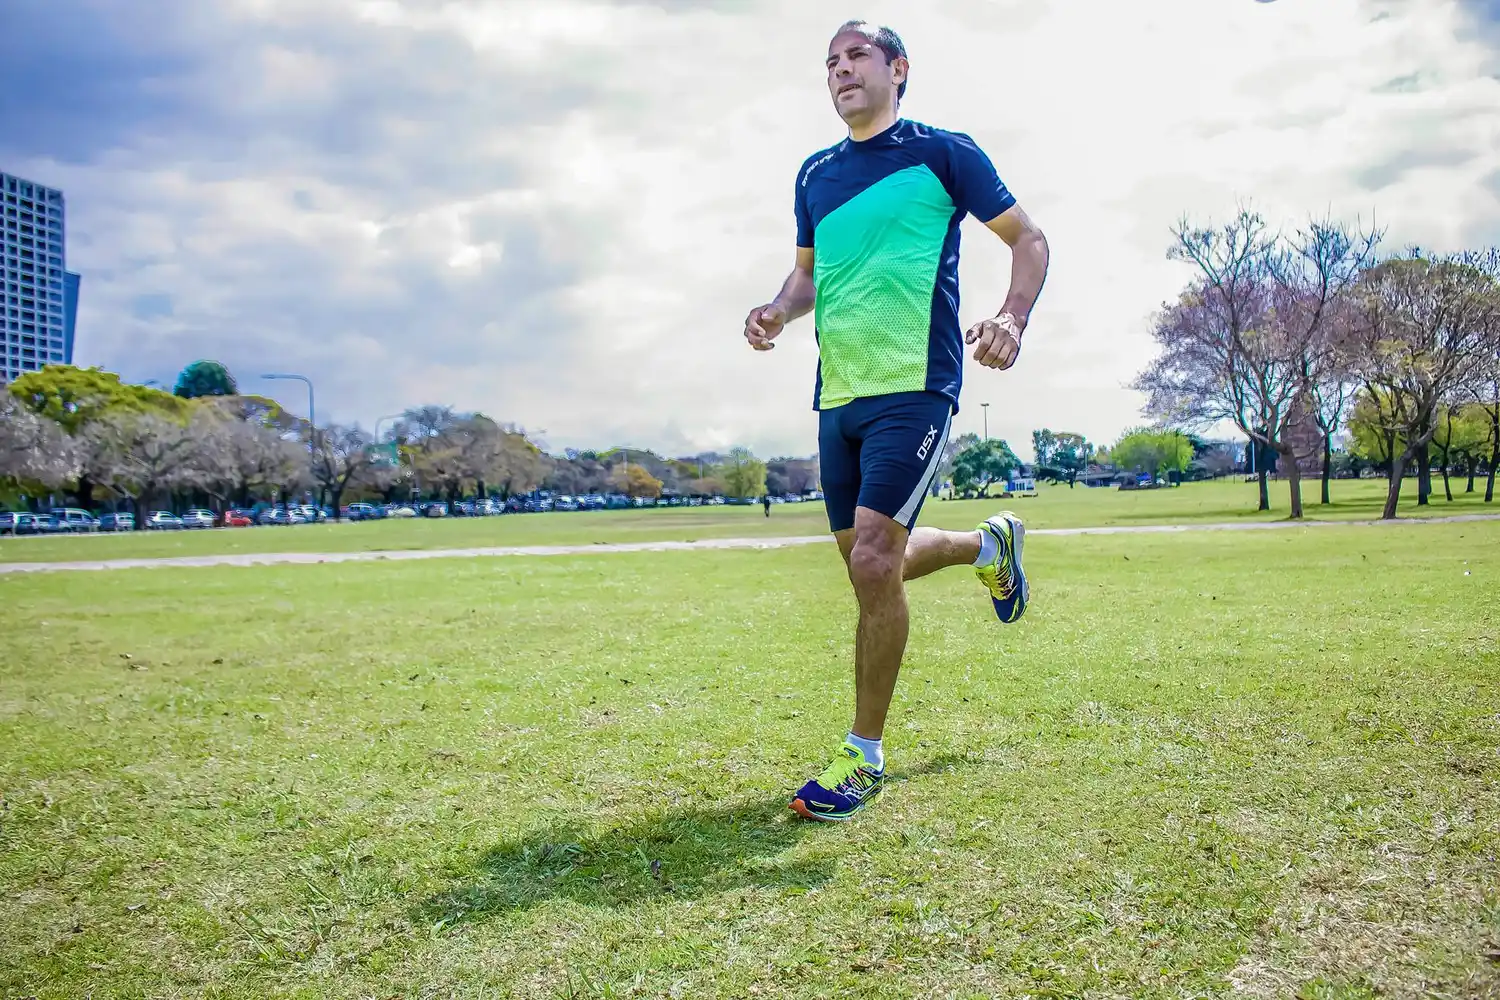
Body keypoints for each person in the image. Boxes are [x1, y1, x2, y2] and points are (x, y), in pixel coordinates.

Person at [742, 20, 1050, 821]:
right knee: (869, 563)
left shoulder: (943, 153)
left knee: (876, 562)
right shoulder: (815, 175)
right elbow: (808, 278)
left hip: (916, 387)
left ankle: (862, 756)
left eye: (856, 57)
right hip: (839, 393)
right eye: (831, 63)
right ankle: (988, 545)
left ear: (898, 68)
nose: (841, 71)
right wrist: (776, 310)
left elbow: (1028, 238)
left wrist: (1012, 317)